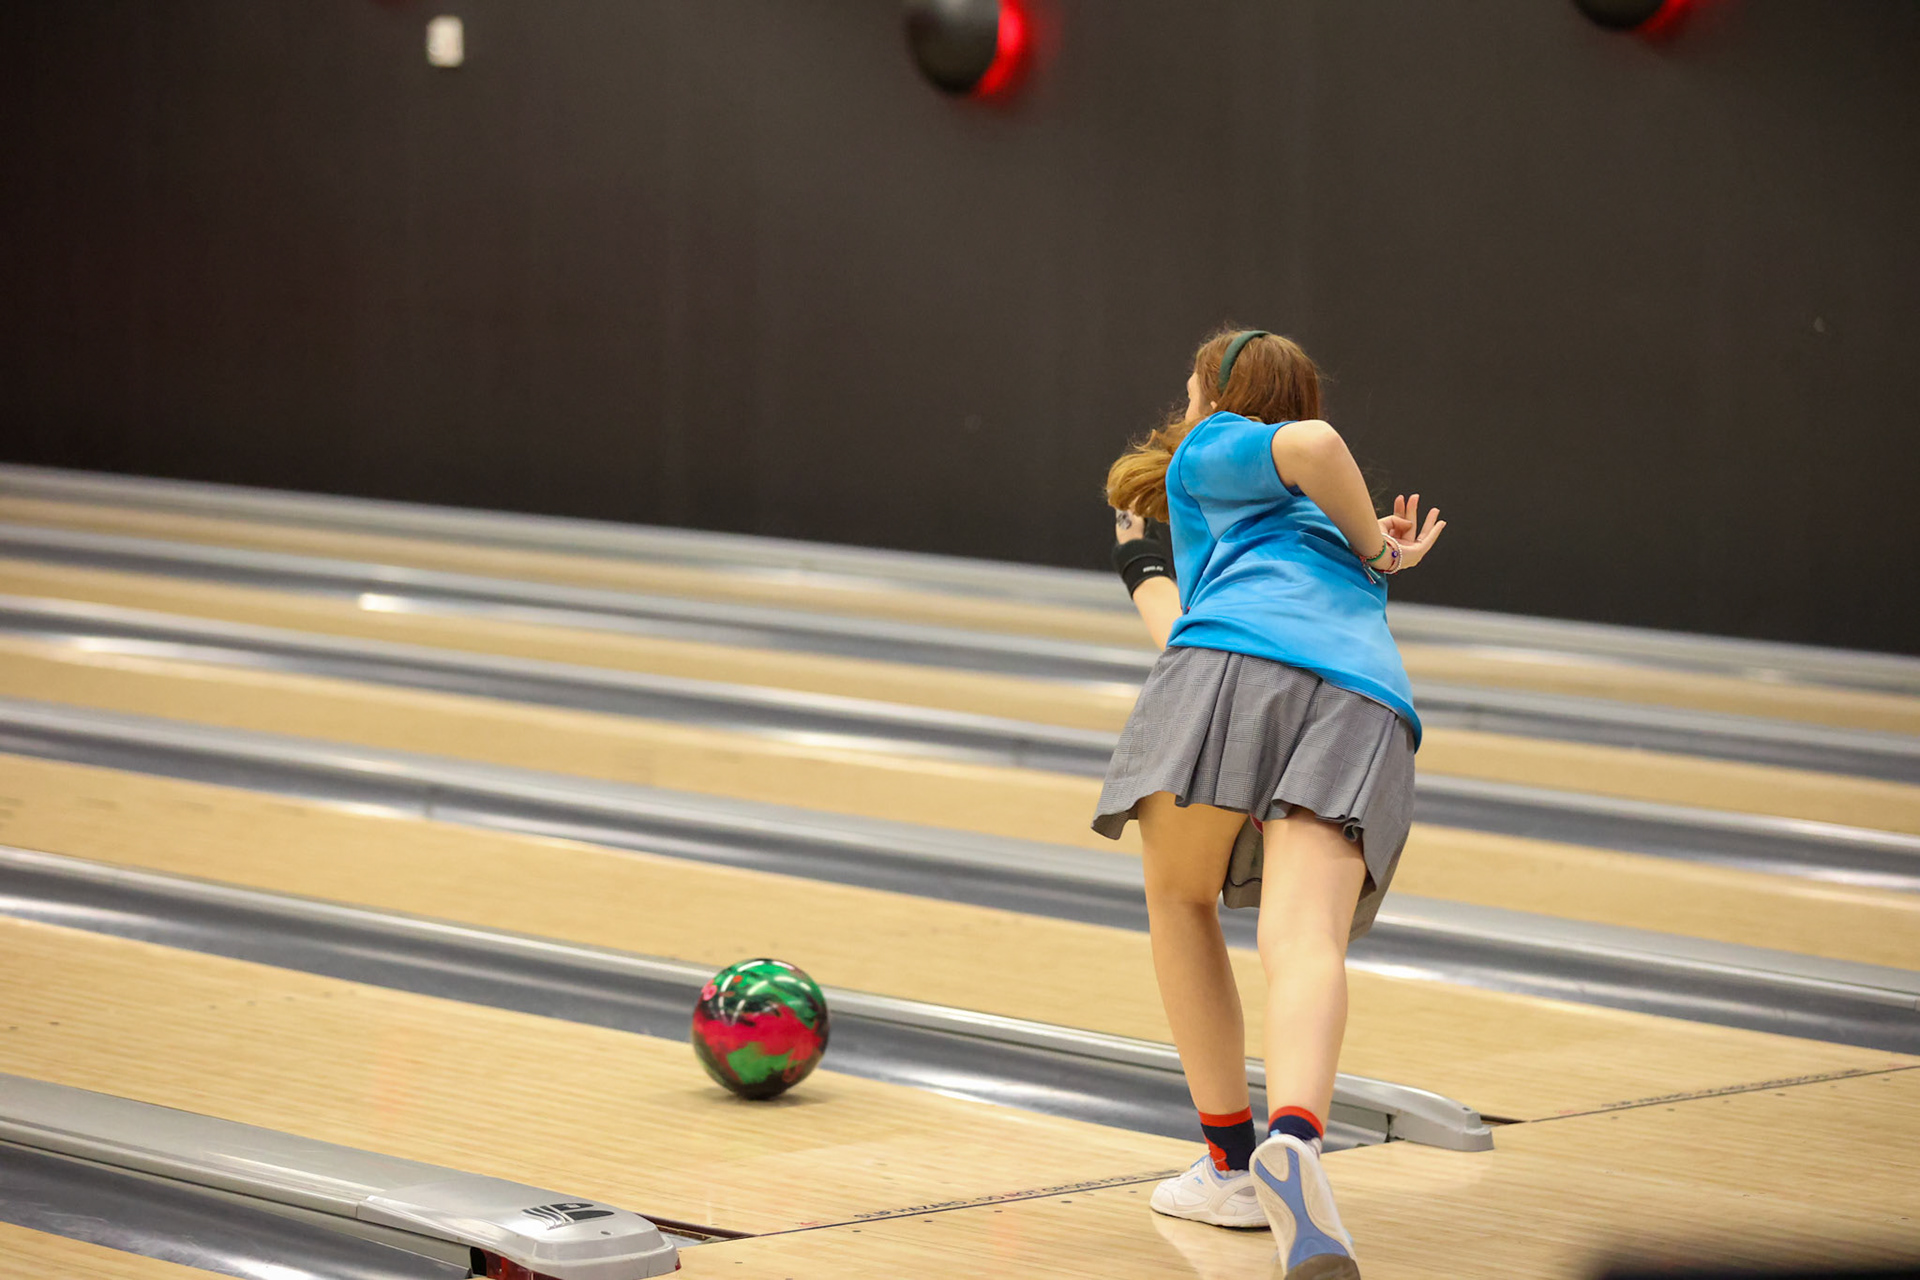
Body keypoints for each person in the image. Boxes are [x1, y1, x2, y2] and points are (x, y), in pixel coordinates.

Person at [1098, 328, 1445, 1278]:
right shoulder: (1316, 531)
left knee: (1181, 900)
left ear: (1218, 393)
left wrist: (1382, 542)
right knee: (1305, 943)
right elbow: (1187, 623)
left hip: (1233, 670)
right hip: (1368, 699)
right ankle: (1296, 1137)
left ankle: (1230, 1165)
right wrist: (1141, 565)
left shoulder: (1222, 441)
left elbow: (1318, 447)